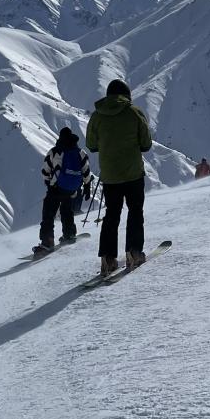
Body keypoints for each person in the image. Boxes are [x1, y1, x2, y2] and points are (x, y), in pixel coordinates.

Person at [86, 78, 153, 277]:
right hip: (133, 173)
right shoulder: (134, 112)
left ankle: (108, 258)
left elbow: (91, 145)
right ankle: (133, 252)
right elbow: (146, 143)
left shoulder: (97, 116)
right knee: (135, 211)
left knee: (111, 216)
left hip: (110, 176)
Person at [35, 126, 91, 256]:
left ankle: (47, 241)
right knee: (67, 210)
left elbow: (45, 171)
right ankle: (69, 234)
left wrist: (49, 182)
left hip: (56, 188)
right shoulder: (80, 152)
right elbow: (86, 171)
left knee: (49, 213)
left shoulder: (55, 151)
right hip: (71, 189)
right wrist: (87, 185)